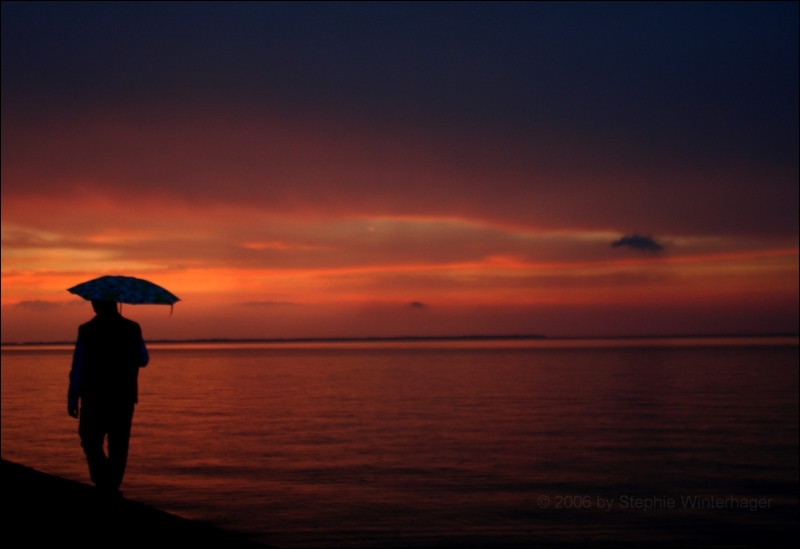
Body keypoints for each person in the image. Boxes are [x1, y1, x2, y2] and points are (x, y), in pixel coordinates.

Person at [67, 300, 149, 495]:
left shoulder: (87, 329)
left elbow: (78, 366)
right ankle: (110, 484)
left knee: (90, 440)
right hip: (123, 397)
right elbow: (143, 360)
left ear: (98, 306)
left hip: (94, 396)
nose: (93, 306)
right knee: (118, 445)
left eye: (95, 303)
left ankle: (105, 482)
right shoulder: (132, 328)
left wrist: (72, 397)